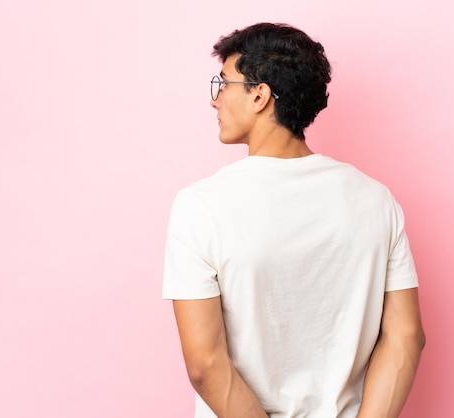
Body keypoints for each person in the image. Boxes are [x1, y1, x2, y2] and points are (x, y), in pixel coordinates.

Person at [162, 22, 426, 418]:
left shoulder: (200, 205)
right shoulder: (375, 199)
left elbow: (205, 364)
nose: (215, 101)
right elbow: (406, 338)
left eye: (224, 84)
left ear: (260, 96)